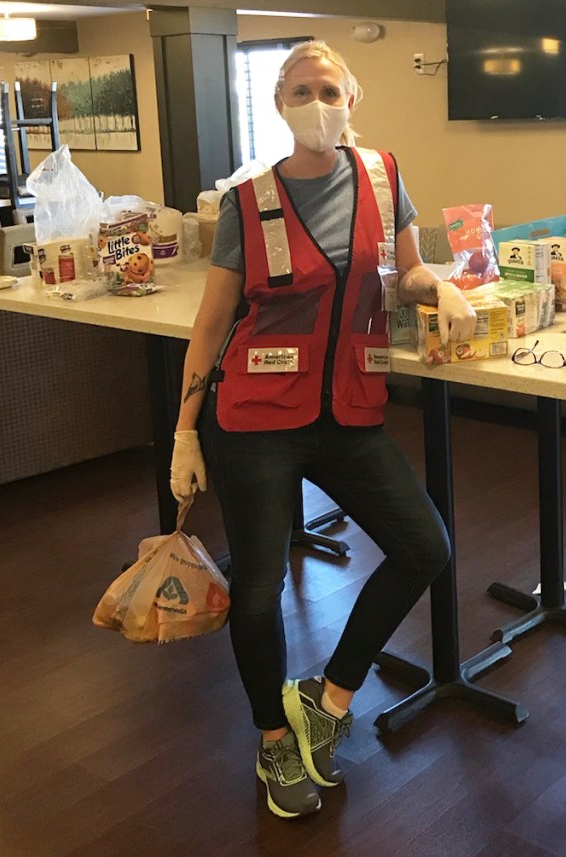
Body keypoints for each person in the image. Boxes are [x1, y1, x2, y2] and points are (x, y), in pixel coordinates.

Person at [168, 40, 477, 819]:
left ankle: (327, 701)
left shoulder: (383, 175)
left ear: (352, 98)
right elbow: (210, 326)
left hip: (348, 408)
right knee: (261, 589)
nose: (317, 103)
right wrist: (184, 431)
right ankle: (274, 739)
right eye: (301, 90)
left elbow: (401, 272)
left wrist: (437, 286)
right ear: (279, 104)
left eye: (329, 89)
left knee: (425, 546)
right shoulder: (249, 202)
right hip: (254, 418)